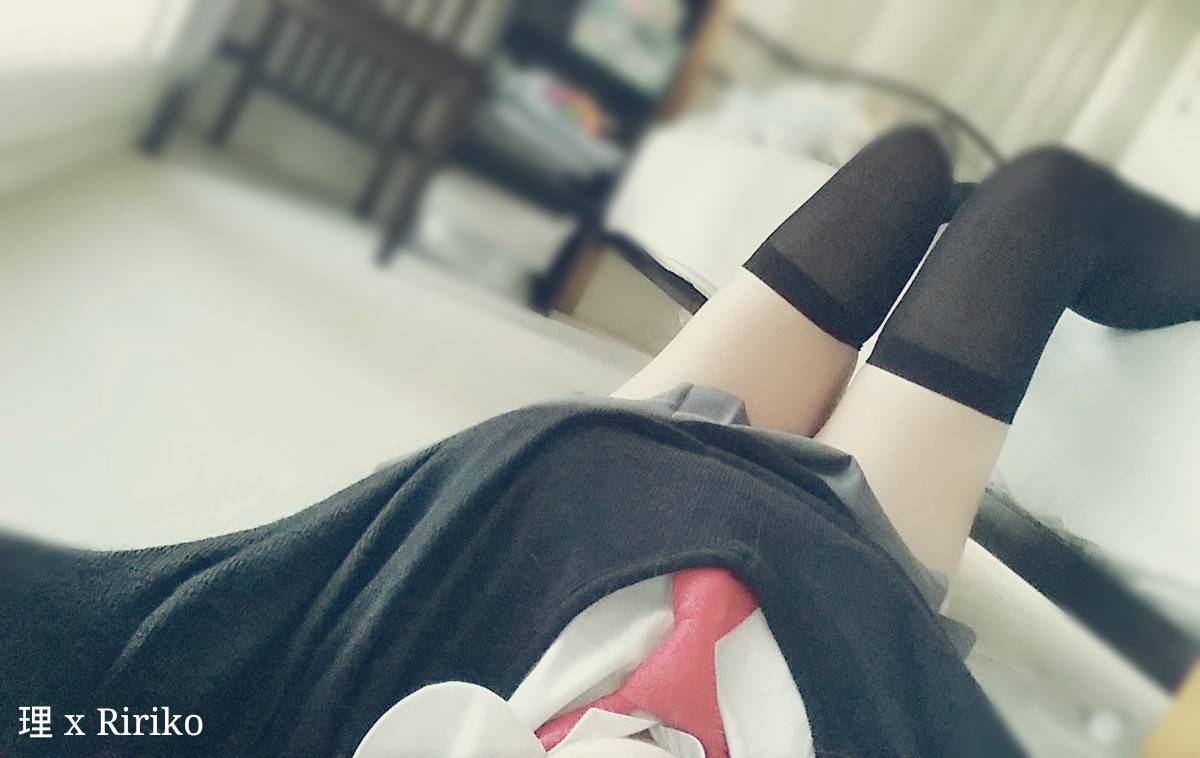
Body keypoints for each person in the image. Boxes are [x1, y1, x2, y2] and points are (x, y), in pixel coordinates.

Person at [3, 127, 1198, 758]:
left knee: (907, 170)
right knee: (1039, 200)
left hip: (595, 476)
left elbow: (78, 677)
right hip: (833, 558)